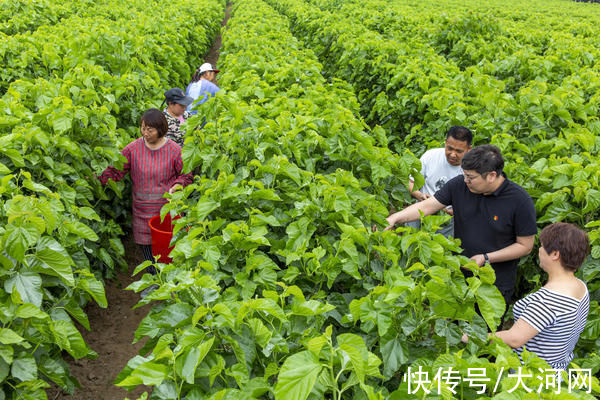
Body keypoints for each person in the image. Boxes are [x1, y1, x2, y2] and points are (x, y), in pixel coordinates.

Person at [386, 145, 537, 309]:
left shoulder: (519, 201)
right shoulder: (460, 185)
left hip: (493, 283)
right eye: (465, 175)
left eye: (470, 177)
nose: (466, 180)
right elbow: (429, 205)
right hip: (458, 277)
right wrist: (395, 218)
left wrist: (486, 258)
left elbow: (525, 246)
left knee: (485, 332)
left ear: (492, 176)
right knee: (456, 327)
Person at [462, 222, 590, 371]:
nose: (539, 250)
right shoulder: (580, 286)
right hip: (556, 370)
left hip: (530, 378)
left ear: (555, 254)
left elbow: (515, 338)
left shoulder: (546, 300)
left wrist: (469, 337)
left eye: (542, 246)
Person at [98, 108, 193, 266]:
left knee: (167, 249)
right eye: (143, 128)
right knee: (146, 247)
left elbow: (186, 174)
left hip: (165, 211)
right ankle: (154, 279)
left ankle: (166, 283)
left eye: (150, 130)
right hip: (142, 209)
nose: (145, 133)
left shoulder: (174, 151)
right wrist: (95, 179)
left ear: (161, 130)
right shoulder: (132, 149)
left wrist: (178, 185)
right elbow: (116, 171)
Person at [407, 126, 472, 237]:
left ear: (469, 149)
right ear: (445, 142)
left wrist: (456, 211)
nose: (452, 154)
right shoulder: (430, 156)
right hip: (420, 211)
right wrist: (420, 195)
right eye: (449, 148)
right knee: (411, 244)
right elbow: (411, 182)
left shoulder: (472, 168)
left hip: (447, 221)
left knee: (441, 249)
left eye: (459, 151)